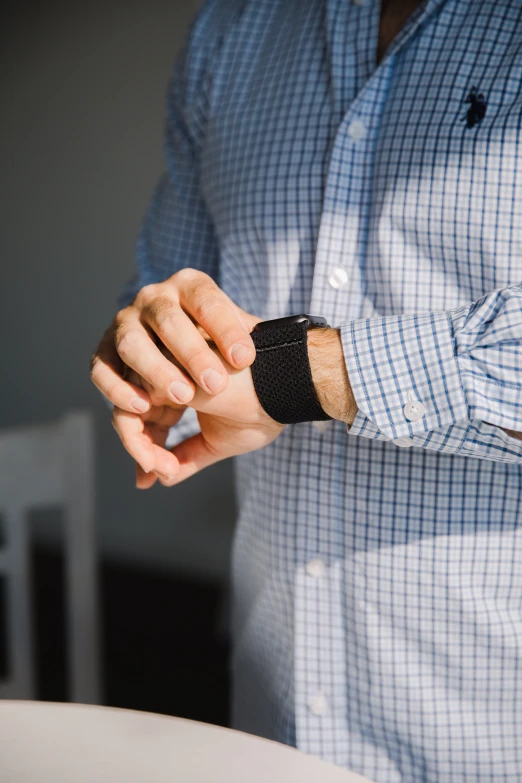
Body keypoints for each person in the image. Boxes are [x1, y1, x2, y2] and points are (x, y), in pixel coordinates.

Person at [90, 1, 522, 780]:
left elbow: (272, 376)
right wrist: (162, 359)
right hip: (266, 720)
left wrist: (297, 375)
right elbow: (167, 302)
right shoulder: (230, 30)